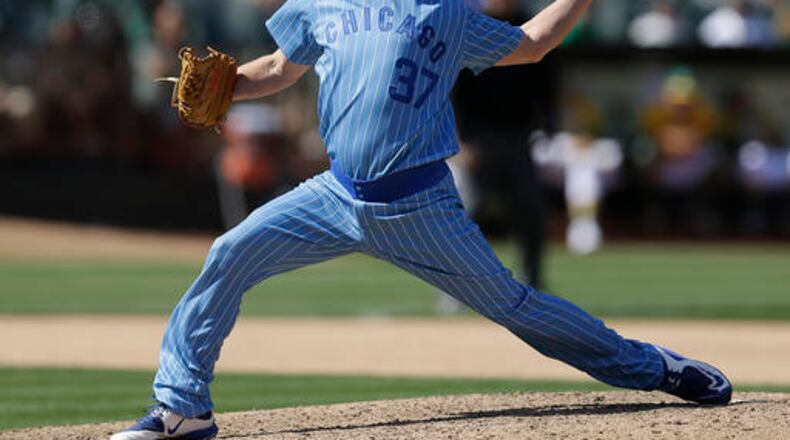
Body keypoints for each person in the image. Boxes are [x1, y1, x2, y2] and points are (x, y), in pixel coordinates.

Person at [111, 0, 732, 438]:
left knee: (516, 307)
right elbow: (277, 69)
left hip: (421, 206)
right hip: (334, 195)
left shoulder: (446, 10)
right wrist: (227, 87)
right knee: (229, 254)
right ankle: (182, 407)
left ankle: (656, 367)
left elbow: (533, 43)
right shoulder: (321, 4)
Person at [452, 0, 552, 289]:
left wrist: (546, 128)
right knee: (466, 212)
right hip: (479, 140)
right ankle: (457, 285)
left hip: (519, 137)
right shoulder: (471, 25)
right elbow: (456, 91)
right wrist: (460, 140)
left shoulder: (529, 26)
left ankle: (533, 279)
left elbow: (546, 86)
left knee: (530, 209)